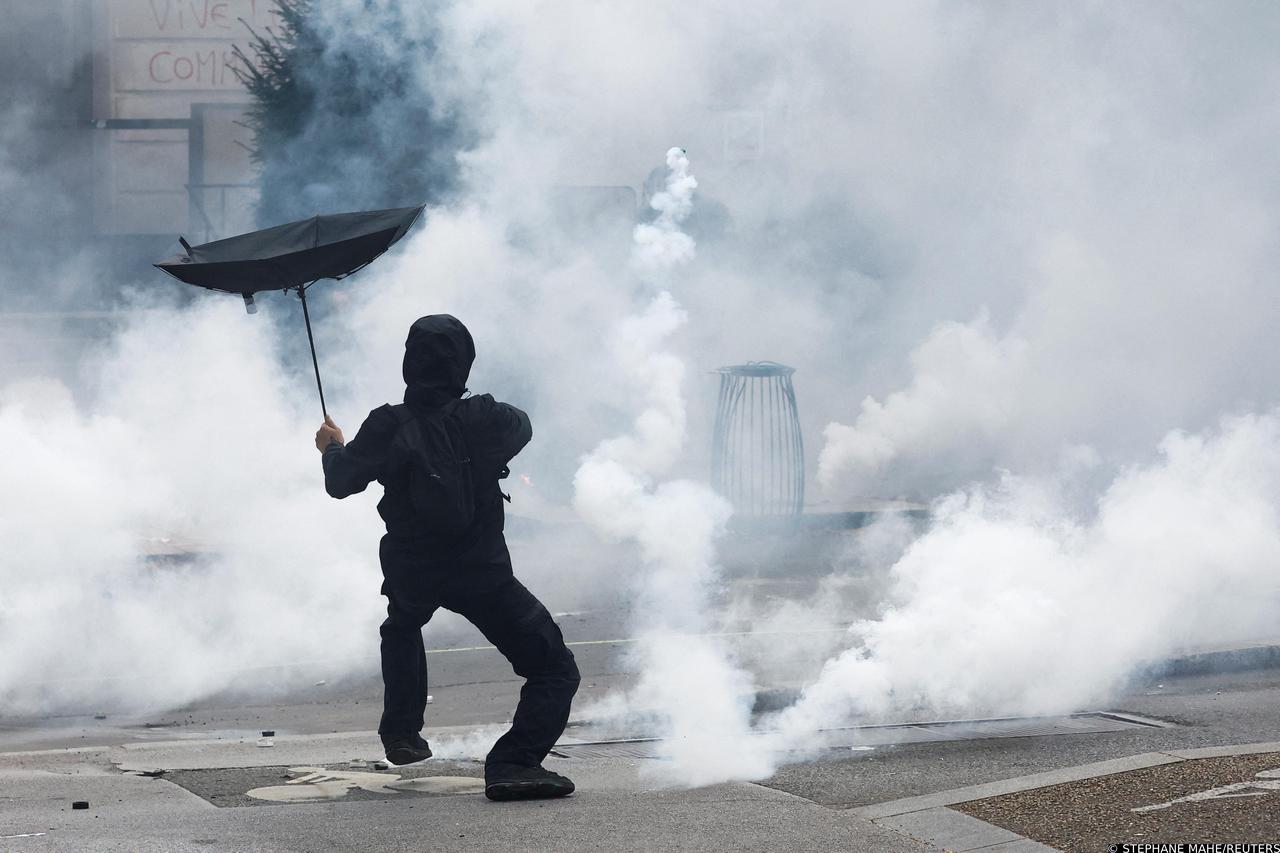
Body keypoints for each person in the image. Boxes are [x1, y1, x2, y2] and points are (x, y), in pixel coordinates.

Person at [314, 314, 580, 801]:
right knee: (553, 668)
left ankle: (402, 733)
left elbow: (340, 482)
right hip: (483, 572)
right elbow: (523, 427)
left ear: (408, 364)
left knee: (402, 626)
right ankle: (514, 763)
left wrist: (333, 448)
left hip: (413, 566)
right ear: (463, 363)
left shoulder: (387, 424)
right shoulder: (484, 417)